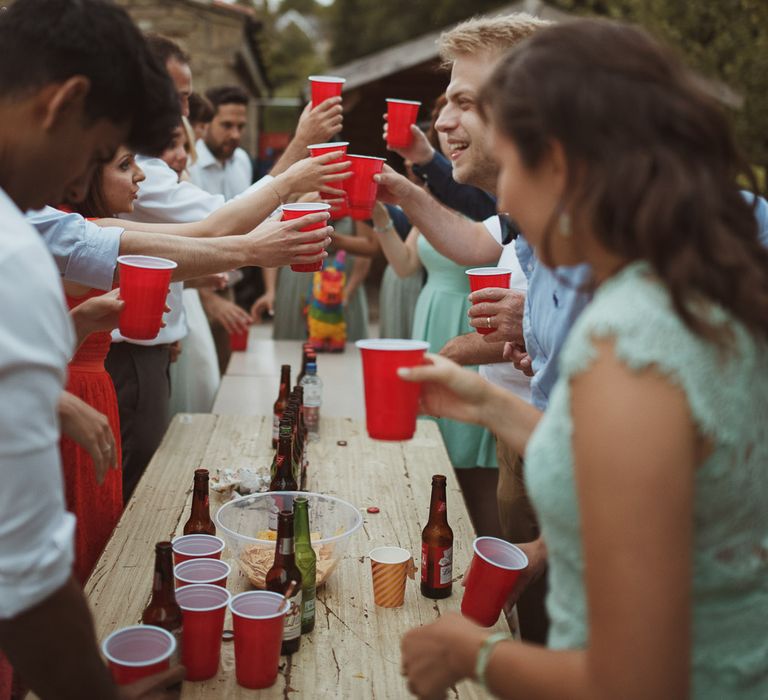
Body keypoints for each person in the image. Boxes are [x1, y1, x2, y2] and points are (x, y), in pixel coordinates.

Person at [400, 19, 768, 700]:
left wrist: (469, 653)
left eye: (509, 168)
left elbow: (632, 680)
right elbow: (619, 466)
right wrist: (481, 400)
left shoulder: (630, 347)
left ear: (562, 164)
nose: (503, 202)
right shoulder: (685, 291)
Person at [0, 1, 184, 696]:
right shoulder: (15, 257)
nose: (79, 182)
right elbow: (25, 583)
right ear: (66, 102)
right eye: (94, 150)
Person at [377, 13, 550, 640]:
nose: (441, 122)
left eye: (462, 102)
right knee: (534, 626)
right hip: (538, 456)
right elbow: (478, 244)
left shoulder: (619, 234)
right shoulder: (528, 227)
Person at [188, 85, 252, 200]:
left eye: (241, 126)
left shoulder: (242, 159)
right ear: (206, 123)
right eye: (227, 125)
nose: (235, 135)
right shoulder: (188, 164)